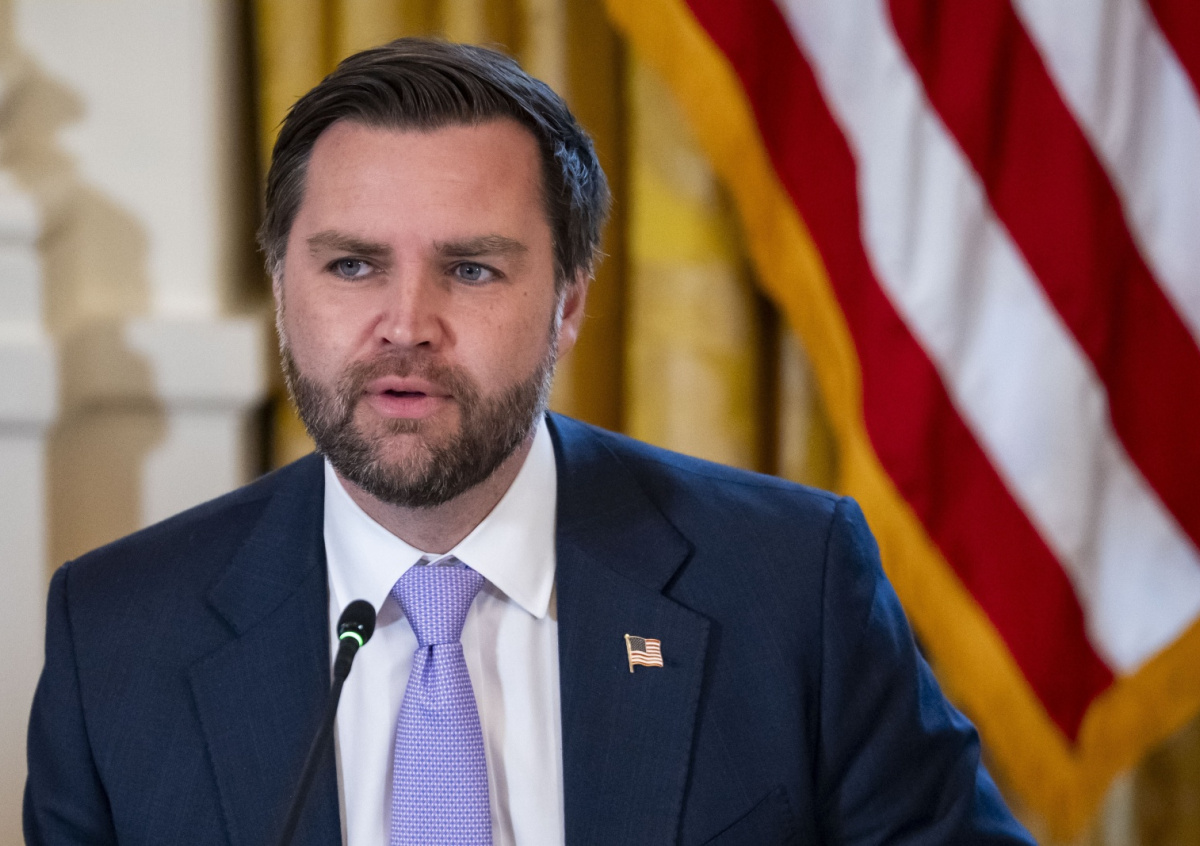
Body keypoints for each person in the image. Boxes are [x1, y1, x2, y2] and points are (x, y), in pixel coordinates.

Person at [24, 38, 1034, 846]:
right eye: (352, 266)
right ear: (284, 292)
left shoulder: (790, 584)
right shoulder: (115, 636)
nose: (406, 324)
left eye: (471, 270)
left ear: (568, 306)